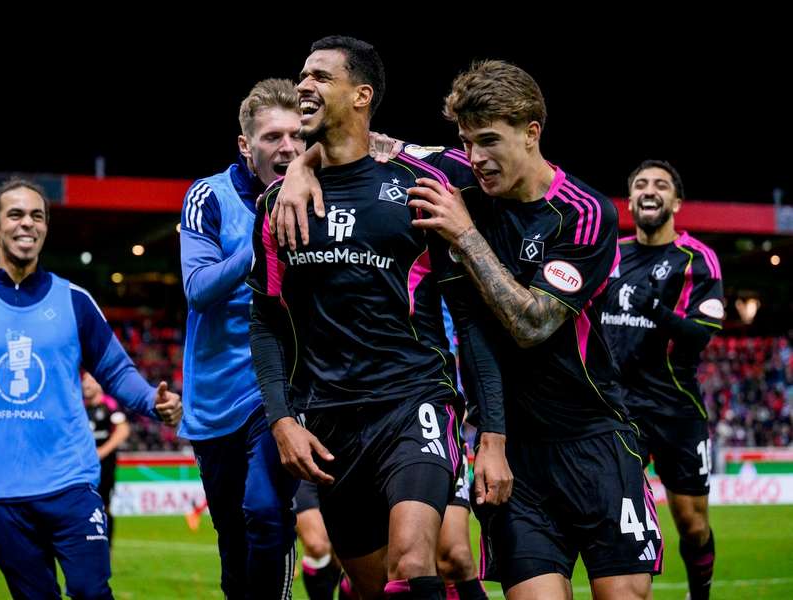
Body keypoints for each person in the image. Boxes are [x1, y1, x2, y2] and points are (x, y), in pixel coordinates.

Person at [273, 59, 662, 600]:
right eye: (466, 142)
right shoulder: (457, 173)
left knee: (624, 594)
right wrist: (299, 170)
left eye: (489, 141)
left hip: (593, 435)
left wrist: (466, 234)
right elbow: (354, 141)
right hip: (511, 451)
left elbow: (532, 324)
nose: (477, 159)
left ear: (531, 134)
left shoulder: (584, 212)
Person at [248, 36, 507, 600]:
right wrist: (281, 420)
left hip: (412, 401)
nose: (303, 86)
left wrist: (492, 432)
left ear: (361, 94)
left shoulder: (421, 185)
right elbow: (266, 320)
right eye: (302, 75)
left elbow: (467, 316)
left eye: (319, 76)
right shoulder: (276, 205)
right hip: (329, 421)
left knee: (416, 563)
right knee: (369, 587)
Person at [0, 177, 182, 599]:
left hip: (70, 480)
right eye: (16, 215)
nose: (28, 224)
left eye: (37, 216)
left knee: (92, 592)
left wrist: (153, 401)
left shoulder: (75, 300)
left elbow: (116, 371)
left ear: (45, 227)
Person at [178, 78, 305, 600]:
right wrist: (258, 245)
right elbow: (197, 289)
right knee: (233, 540)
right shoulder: (209, 197)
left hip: (275, 392)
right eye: (272, 136)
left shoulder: (318, 196)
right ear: (245, 144)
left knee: (266, 514)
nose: (287, 147)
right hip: (213, 401)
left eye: (297, 135)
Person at [600, 160, 723, 600]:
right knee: (625, 517)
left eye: (661, 185)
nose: (650, 191)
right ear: (630, 199)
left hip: (675, 408)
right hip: (618, 409)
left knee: (692, 523)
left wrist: (657, 311)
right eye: (640, 184)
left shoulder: (697, 259)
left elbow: (701, 336)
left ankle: (700, 594)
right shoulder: (610, 253)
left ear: (676, 201)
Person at [83, 371, 130, 547]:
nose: (87, 385)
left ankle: (106, 548)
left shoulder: (109, 405)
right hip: (82, 466)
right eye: (84, 381)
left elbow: (123, 430)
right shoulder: (78, 407)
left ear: (99, 383)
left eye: (91, 380)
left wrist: (102, 451)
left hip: (105, 465)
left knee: (104, 506)